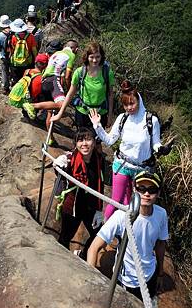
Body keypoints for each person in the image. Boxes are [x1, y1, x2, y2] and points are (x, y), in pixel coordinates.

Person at [89, 80, 172, 220]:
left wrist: (161, 149)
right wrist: (97, 126)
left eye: (132, 103)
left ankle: (127, 234)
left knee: (135, 205)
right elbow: (110, 140)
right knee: (115, 201)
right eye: (125, 104)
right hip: (122, 165)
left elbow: (155, 143)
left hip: (142, 169)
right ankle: (105, 233)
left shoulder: (151, 120)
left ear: (139, 100)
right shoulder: (123, 118)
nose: (129, 107)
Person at [87, 170, 168, 302]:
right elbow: (93, 248)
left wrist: (160, 273)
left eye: (152, 189)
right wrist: (90, 279)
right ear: (135, 190)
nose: (146, 194)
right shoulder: (121, 215)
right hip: (126, 279)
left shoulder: (161, 214)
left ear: (158, 193)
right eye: (142, 189)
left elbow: (160, 244)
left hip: (149, 275)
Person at [53, 127, 105, 259]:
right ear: (75, 144)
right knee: (65, 236)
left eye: (88, 139)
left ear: (94, 142)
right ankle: (60, 260)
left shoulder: (98, 160)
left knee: (99, 234)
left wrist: (99, 210)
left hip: (90, 207)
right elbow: (61, 172)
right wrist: (58, 165)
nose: (84, 144)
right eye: (80, 140)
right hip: (73, 207)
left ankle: (82, 256)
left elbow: (100, 184)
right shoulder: (70, 159)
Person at [23, 40, 79, 145]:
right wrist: (70, 91)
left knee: (50, 110)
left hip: (44, 81)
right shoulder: (71, 55)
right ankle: (33, 106)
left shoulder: (56, 53)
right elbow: (67, 76)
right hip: (54, 80)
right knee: (62, 105)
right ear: (75, 49)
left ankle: (50, 138)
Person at [50, 41, 114, 130]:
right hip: (83, 112)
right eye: (91, 57)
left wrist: (110, 116)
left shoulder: (107, 73)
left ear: (101, 57)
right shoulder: (79, 72)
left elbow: (110, 95)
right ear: (87, 57)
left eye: (97, 57)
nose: (95, 60)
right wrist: (60, 113)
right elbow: (70, 94)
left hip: (100, 113)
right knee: (82, 141)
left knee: (97, 142)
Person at [9, 18, 38, 84]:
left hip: (16, 63)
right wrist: (35, 60)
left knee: (17, 81)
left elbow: (12, 50)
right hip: (27, 62)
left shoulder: (13, 37)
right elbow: (34, 50)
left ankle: (17, 92)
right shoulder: (31, 36)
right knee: (27, 80)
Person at [0, 14, 12, 94]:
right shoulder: (12, 33)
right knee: (12, 70)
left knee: (4, 72)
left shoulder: (0, 35)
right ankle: (14, 83)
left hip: (3, 56)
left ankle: (6, 88)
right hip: (12, 56)